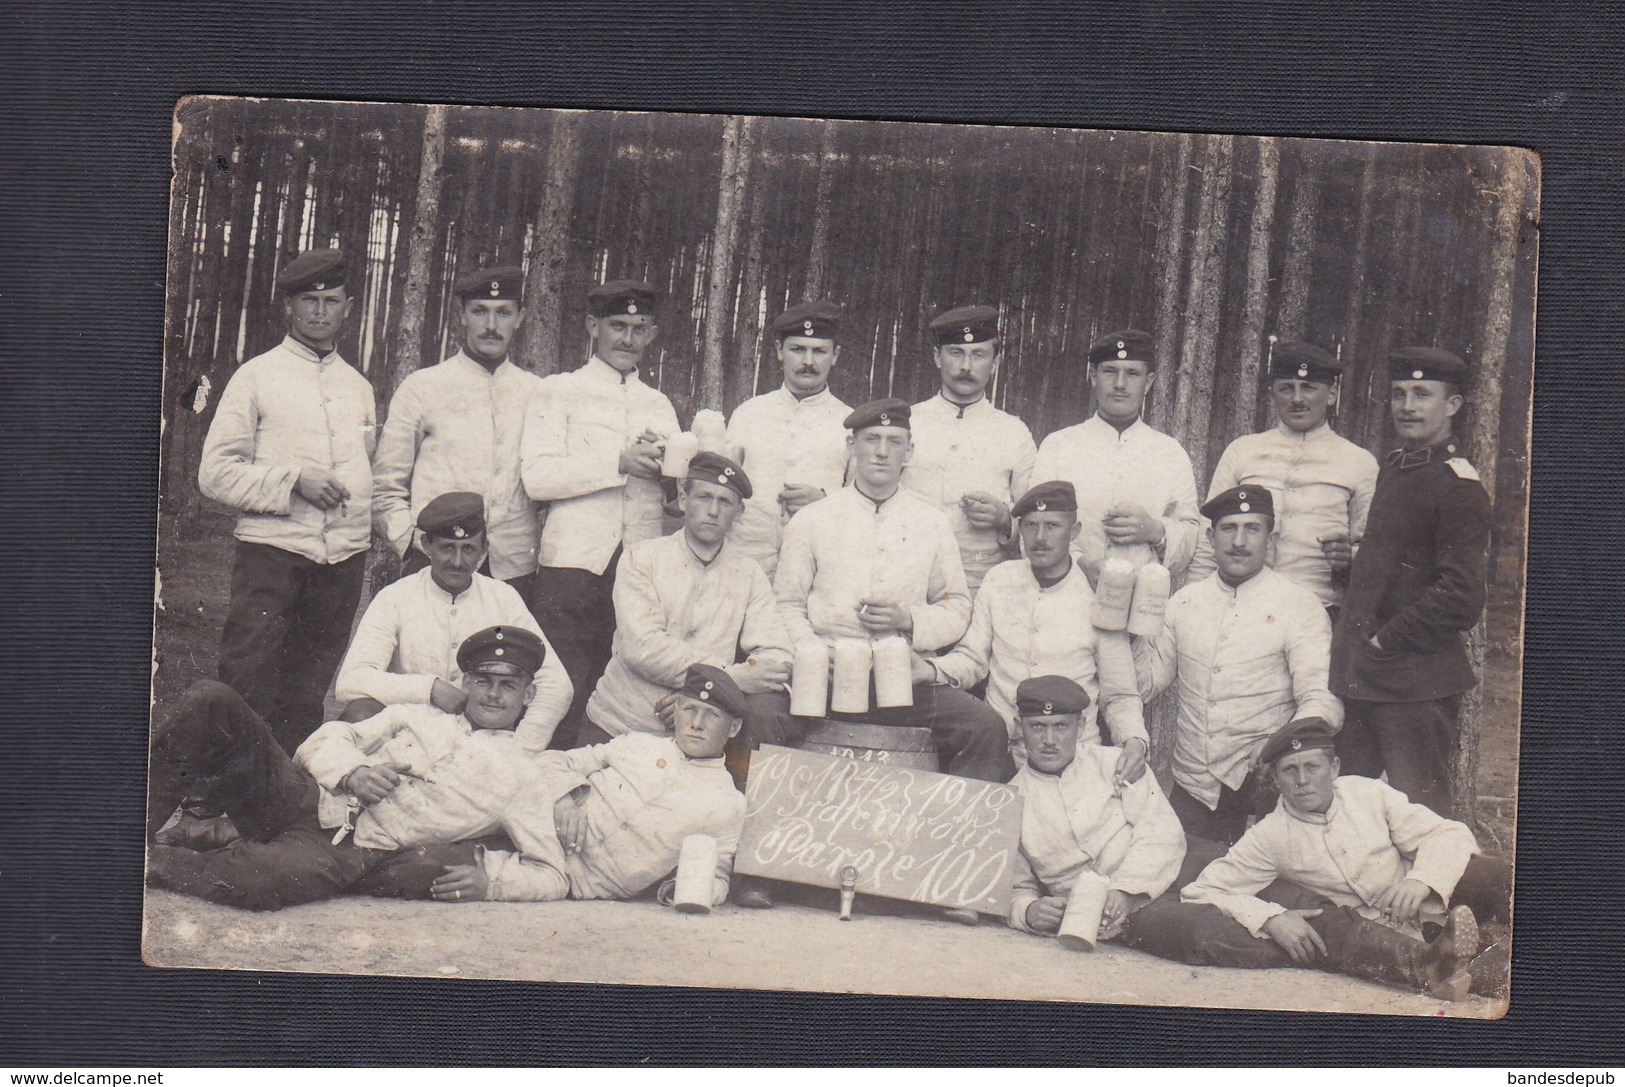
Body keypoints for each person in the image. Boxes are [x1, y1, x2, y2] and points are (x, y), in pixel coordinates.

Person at [145, 627, 550, 911]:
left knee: (257, 882)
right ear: (465, 682)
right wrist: (353, 771)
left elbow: (551, 872)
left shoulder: (524, 776)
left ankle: (154, 863)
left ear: (528, 694)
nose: (492, 695)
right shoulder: (419, 716)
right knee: (212, 698)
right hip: (305, 797)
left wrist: (493, 884)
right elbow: (322, 740)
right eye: (483, 681)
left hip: (350, 850)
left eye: (508, 685)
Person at [1124, 718, 1510, 999]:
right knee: (1482, 968)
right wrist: (1269, 917)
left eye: (1312, 767)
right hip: (1376, 926)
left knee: (1492, 873)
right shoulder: (1270, 835)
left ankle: (1496, 942)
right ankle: (1461, 965)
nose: (1302, 780)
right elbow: (1204, 890)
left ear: (1335, 768)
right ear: (1276, 779)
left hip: (1426, 900)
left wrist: (1422, 879)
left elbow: (1448, 832)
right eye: (1289, 771)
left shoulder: (1367, 794)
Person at [761, 398, 1014, 784]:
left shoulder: (931, 522)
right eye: (871, 439)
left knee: (985, 728)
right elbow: (787, 603)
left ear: (909, 451)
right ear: (851, 446)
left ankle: (952, 837)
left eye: (894, 441)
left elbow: (958, 606)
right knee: (759, 715)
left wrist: (910, 619)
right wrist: (811, 654)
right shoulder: (813, 519)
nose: (881, 452)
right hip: (822, 678)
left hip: (901, 680)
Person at [198, 247, 377, 752]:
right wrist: (293, 480)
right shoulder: (256, 377)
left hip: (341, 561)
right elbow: (214, 475)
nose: (321, 312)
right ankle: (217, 805)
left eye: (332, 301)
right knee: (247, 677)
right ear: (289, 308)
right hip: (271, 556)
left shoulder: (358, 387)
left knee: (307, 688)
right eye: (309, 300)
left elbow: (369, 468)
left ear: (349, 308)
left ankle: (285, 803)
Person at [428, 665, 749, 906]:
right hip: (529, 825)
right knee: (428, 835)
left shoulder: (728, 804)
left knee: (425, 872)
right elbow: (552, 762)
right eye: (689, 709)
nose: (696, 723)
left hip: (572, 881)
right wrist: (567, 797)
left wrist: (683, 889)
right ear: (676, 711)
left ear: (733, 728)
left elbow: (718, 876)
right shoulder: (637, 745)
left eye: (712, 715)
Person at [1131, 486, 1343, 845]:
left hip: (1267, 787)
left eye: (1252, 528)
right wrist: (1134, 633)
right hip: (1194, 785)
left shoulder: (1299, 605)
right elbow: (1146, 685)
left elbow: (1323, 702)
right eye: (1229, 529)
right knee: (1185, 887)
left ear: (1270, 537)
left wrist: (1280, 742)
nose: (1239, 542)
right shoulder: (1184, 602)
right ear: (1212, 537)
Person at [1329, 347, 1491, 816]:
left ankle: (1443, 892)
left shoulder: (1457, 485)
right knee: (1353, 808)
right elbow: (1401, 569)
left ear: (1453, 406)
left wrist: (1384, 641)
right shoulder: (1399, 467)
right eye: (1400, 394)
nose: (1408, 405)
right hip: (1367, 677)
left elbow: (1461, 597)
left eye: (1423, 394)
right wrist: (1350, 567)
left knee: (1422, 813)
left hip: (1413, 680)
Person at [519, 279, 681, 745]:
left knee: (624, 684)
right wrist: (618, 462)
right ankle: (545, 781)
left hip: (639, 565)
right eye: (617, 326)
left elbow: (670, 496)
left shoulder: (660, 404)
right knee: (562, 682)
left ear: (651, 334)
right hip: (573, 564)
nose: (627, 339)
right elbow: (538, 478)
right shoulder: (559, 391)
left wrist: (671, 474)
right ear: (593, 327)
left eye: (638, 328)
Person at [580, 452, 794, 784]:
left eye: (725, 502)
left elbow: (775, 656)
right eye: (704, 497)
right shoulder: (641, 557)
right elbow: (644, 648)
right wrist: (726, 681)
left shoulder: (749, 573)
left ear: (739, 512)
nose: (713, 510)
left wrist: (696, 697)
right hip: (621, 725)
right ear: (683, 498)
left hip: (695, 742)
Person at [922, 481, 1149, 778]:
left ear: (1075, 530)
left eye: (1052, 525)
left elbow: (1119, 694)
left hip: (1072, 760)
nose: (1040, 537)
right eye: (1030, 525)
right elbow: (972, 659)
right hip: (1000, 753)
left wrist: (1135, 741)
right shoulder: (1000, 579)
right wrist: (929, 670)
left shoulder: (1099, 596)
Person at [333, 492, 573, 750]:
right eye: (447, 548)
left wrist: (523, 748)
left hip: (478, 742)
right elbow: (351, 681)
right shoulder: (396, 597)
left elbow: (556, 683)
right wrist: (430, 689)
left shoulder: (502, 598)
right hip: (408, 734)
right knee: (359, 714)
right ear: (426, 545)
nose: (458, 562)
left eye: (468, 549)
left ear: (483, 550)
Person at [372, 265, 545, 599]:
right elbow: (384, 487)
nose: (491, 326)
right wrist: (410, 543)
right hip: (435, 565)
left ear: (520, 318)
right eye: (480, 311)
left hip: (514, 569)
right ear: (463, 315)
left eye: (503, 313)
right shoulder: (423, 387)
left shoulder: (537, 392)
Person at [1187, 339, 1379, 616]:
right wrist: (1193, 607)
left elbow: (1370, 551)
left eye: (1309, 388)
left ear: (1332, 394)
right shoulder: (1244, 451)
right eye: (1286, 388)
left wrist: (1349, 558)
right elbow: (1209, 538)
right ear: (1272, 393)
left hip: (1320, 610)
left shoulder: (1359, 462)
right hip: (1240, 608)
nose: (1297, 399)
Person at [1005, 677, 1186, 944]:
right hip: (1100, 914)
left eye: (1061, 726)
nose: (1049, 740)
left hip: (1159, 872)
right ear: (1019, 728)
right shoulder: (1011, 801)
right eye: (1037, 727)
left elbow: (1161, 830)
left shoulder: (1114, 763)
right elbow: (1012, 887)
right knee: (1198, 930)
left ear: (1081, 726)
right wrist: (1029, 910)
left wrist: (1126, 889)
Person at [1030, 329, 1201, 581]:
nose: (1120, 384)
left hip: (1142, 599)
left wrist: (1155, 530)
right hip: (1067, 591)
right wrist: (1080, 564)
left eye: (1132, 374)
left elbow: (1190, 534)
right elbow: (1034, 524)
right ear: (1093, 377)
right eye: (1110, 371)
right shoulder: (1059, 445)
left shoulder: (1170, 453)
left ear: (1149, 382)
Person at [902, 305, 1037, 594]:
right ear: (937, 357)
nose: (966, 367)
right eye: (956, 353)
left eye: (978, 355)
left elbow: (1035, 520)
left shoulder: (1014, 433)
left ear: (996, 362)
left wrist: (1003, 517)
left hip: (981, 586)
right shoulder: (907, 422)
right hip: (908, 579)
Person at [722, 300, 853, 579]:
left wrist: (825, 501)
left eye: (819, 351)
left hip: (816, 567)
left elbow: (862, 500)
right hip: (745, 562)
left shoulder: (849, 423)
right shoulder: (749, 414)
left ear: (835, 355)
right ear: (780, 351)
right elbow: (723, 485)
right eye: (797, 349)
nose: (808, 362)